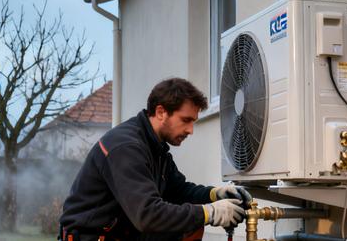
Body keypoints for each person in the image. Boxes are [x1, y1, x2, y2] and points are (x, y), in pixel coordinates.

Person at [59, 78, 253, 241]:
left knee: (188, 225)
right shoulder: (126, 148)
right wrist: (209, 213)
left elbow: (178, 190)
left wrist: (215, 194)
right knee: (188, 222)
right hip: (91, 237)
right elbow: (147, 215)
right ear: (161, 112)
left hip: (121, 233)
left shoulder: (155, 146)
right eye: (186, 120)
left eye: (193, 122)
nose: (190, 130)